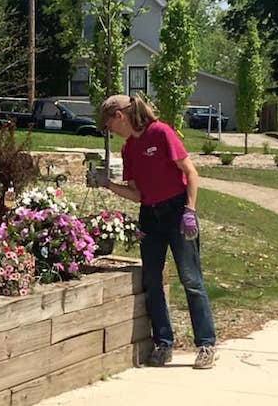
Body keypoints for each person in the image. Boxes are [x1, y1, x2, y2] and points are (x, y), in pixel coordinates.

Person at [89, 94, 217, 370]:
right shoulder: (128, 149)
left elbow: (191, 173)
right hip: (150, 215)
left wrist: (190, 211)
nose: (109, 130)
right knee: (152, 280)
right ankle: (163, 344)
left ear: (119, 116)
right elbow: (136, 194)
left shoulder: (161, 133)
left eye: (109, 124)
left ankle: (206, 344)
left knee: (191, 279)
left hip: (177, 212)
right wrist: (107, 184)